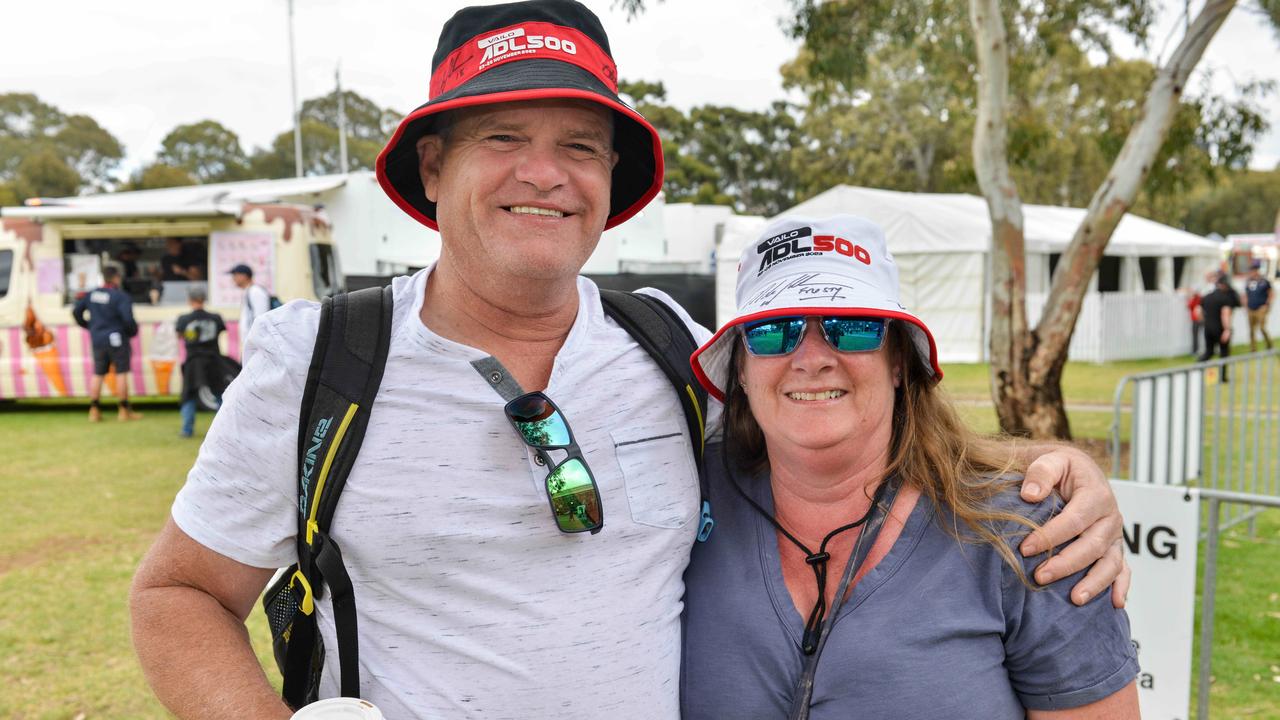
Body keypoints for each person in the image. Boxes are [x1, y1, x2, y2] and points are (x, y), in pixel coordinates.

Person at [129, 3, 1128, 718]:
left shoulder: (665, 347)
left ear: (612, 176)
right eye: (501, 136)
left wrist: (1057, 479)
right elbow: (176, 596)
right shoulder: (322, 361)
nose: (543, 173)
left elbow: (838, 427)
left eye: (580, 144)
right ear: (431, 168)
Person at [683, 215, 1138, 718]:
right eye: (772, 331)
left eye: (852, 327)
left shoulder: (1026, 533)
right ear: (742, 371)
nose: (811, 359)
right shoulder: (684, 492)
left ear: (898, 362)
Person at [72, 264, 142, 422]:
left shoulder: (91, 294)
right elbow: (128, 319)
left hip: (97, 339)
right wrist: (131, 332)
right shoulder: (120, 296)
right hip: (117, 338)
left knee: (98, 373)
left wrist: (89, 325)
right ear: (116, 277)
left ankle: (94, 410)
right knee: (121, 373)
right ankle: (124, 410)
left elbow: (76, 312)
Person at [174, 286, 232, 438]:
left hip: (193, 361)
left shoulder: (184, 319)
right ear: (204, 299)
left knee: (189, 394)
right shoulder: (215, 318)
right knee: (220, 393)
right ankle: (224, 428)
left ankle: (187, 429)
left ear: (190, 301)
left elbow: (180, 336)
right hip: (213, 359)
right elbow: (221, 331)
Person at [1199, 271, 1241, 379]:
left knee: (1209, 352)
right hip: (1220, 329)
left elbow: (1199, 312)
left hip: (1208, 328)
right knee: (1224, 352)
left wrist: (1207, 322)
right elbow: (1225, 314)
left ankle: (1196, 368)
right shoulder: (1225, 298)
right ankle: (1222, 377)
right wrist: (1227, 330)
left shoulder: (1207, 296)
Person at [228, 263, 272, 353]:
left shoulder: (255, 291)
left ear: (244, 276)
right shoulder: (248, 291)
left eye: (235, 275)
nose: (233, 279)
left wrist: (255, 343)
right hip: (250, 345)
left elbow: (260, 318)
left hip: (257, 345)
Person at [1243, 259, 1273, 352]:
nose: (1252, 272)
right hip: (1251, 308)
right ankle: (1253, 349)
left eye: (1253, 270)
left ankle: (1269, 344)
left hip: (1261, 308)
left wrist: (1267, 304)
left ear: (1257, 270)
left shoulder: (1264, 281)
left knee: (1262, 327)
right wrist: (1246, 306)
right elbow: (1245, 295)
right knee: (1251, 330)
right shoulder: (1248, 282)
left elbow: (1271, 293)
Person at [1185, 285, 1203, 356]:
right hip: (1198, 319)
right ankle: (1197, 350)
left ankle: (1195, 350)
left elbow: (1189, 305)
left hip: (1196, 319)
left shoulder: (1196, 298)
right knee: (1198, 335)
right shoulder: (1200, 298)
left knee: (1195, 336)